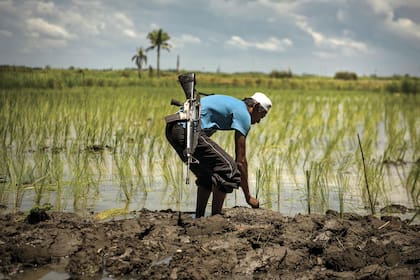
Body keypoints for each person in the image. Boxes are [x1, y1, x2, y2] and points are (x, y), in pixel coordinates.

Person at [165, 92, 272, 217]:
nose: (258, 121)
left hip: (173, 129)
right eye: (261, 115)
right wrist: (248, 197)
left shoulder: (232, 105)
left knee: (206, 175)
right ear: (256, 106)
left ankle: (199, 217)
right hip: (186, 129)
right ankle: (216, 219)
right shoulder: (244, 114)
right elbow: (241, 161)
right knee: (228, 168)